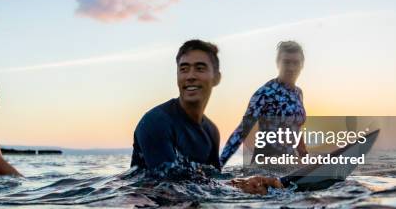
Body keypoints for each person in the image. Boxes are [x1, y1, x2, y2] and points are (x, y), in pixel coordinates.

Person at [131, 39, 281, 195]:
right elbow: (168, 187)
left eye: (199, 68)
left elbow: (214, 182)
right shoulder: (155, 122)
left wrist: (249, 183)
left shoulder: (211, 131)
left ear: (217, 78)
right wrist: (238, 188)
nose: (190, 76)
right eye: (184, 69)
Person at [219, 40, 307, 167]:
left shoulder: (298, 93)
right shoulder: (265, 93)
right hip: (265, 167)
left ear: (302, 65)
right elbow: (241, 131)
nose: (291, 68)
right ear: (278, 63)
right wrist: (219, 164)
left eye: (296, 63)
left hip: (290, 164)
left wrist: (305, 160)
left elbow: (296, 130)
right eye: (286, 62)